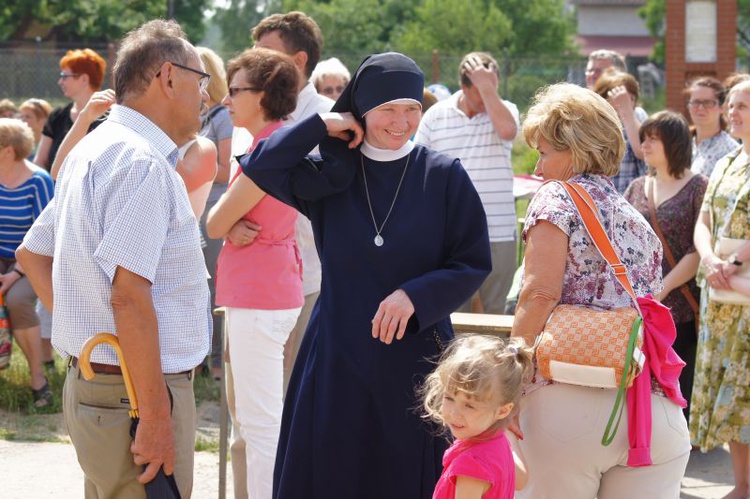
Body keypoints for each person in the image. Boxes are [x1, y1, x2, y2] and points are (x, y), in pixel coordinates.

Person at [239, 52, 491, 498]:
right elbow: (261, 164)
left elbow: (472, 261)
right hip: (338, 356)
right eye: (387, 109)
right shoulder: (331, 175)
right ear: (362, 110)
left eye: (412, 109)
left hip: (415, 359)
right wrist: (322, 125)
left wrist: (416, 296)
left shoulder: (444, 176)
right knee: (334, 473)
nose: (401, 121)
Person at [16, 20, 211, 498]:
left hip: (104, 386)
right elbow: (128, 296)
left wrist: (90, 342)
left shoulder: (93, 148)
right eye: (200, 81)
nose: (207, 96)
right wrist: (154, 413)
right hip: (135, 394)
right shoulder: (141, 161)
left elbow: (32, 254)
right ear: (168, 78)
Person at [512, 83, 690, 498]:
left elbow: (539, 294)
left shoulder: (555, 198)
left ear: (575, 149)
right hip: (652, 411)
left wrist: (509, 379)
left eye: (544, 153)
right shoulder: (635, 215)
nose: (538, 168)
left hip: (568, 404)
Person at [206, 47, 302, 499]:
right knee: (260, 417)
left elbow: (214, 222)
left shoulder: (271, 147)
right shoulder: (275, 142)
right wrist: (230, 225)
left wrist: (228, 226)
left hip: (260, 294)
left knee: (260, 422)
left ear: (263, 95)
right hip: (268, 288)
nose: (227, 100)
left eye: (237, 90)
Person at [251, 11, 333, 394]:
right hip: (252, 280)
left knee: (289, 398)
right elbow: (241, 187)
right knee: (247, 405)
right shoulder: (253, 115)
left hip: (306, 281)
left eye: (266, 54)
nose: (255, 63)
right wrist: (233, 222)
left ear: (299, 61)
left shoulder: (330, 122)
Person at [415, 51, 519, 314]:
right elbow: (417, 170)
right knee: (451, 313)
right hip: (451, 235)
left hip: (499, 232)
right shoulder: (436, 116)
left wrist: (487, 89)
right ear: (464, 86)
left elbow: (508, 131)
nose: (488, 96)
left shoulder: (504, 110)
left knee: (498, 315)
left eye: (493, 87)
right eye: (481, 89)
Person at [624, 110, 709, 421]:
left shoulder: (699, 186)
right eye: (644, 137)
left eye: (653, 138)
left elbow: (697, 249)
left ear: (674, 144)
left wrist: (665, 286)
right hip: (641, 302)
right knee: (642, 375)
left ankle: (679, 442)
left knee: (680, 375)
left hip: (681, 303)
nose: (644, 144)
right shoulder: (635, 187)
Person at [691, 80, 750, 499]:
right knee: (730, 397)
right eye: (731, 104)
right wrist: (710, 259)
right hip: (721, 293)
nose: (733, 111)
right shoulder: (728, 160)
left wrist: (735, 262)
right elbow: (704, 220)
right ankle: (742, 484)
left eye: (743, 105)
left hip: (745, 294)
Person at [421, 335, 532, 499]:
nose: (454, 413)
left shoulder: (470, 466)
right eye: (449, 398)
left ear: (503, 411)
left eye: (470, 405)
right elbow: (521, 479)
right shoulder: (498, 440)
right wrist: (507, 428)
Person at [0, 118, 54, 408]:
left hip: (32, 259)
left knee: (18, 300)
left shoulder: (38, 180)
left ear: (8, 150)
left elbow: (48, 234)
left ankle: (38, 378)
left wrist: (16, 273)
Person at [196, 46, 233, 379]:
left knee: (215, 288)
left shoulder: (222, 117)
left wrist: (191, 165)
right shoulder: (191, 116)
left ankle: (218, 360)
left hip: (213, 209)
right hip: (193, 206)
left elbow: (225, 170)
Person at [34, 48, 107, 172]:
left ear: (84, 79)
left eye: (64, 76)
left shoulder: (110, 117)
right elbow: (39, 162)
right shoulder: (57, 116)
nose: (60, 82)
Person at [593, 68, 647, 194]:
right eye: (619, 98)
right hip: (602, 194)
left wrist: (627, 113)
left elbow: (642, 150)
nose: (626, 103)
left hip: (631, 195)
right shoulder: (595, 122)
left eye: (630, 99)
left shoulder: (637, 115)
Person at [685, 77, 738, 177]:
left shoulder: (730, 151)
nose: (700, 108)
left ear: (722, 108)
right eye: (696, 102)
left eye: (708, 103)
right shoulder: (681, 145)